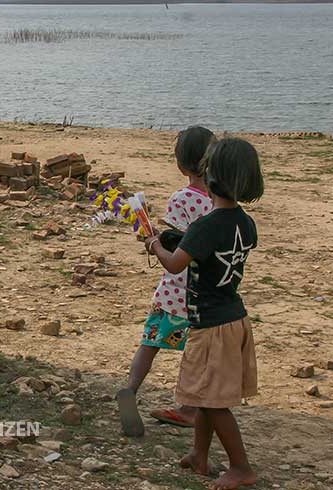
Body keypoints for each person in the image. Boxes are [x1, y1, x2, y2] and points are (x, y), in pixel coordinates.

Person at [144, 138, 263, 490]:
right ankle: (199, 454)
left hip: (211, 326)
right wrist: (179, 239)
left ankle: (240, 467)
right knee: (201, 395)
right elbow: (210, 253)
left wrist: (154, 244)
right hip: (233, 318)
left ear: (209, 176)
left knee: (211, 402)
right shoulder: (245, 223)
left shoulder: (205, 226)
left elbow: (175, 265)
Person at [117, 126, 215, 437]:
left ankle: (130, 390)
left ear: (180, 164)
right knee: (198, 353)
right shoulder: (220, 198)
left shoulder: (181, 198)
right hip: (207, 290)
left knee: (150, 342)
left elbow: (175, 244)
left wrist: (152, 242)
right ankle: (190, 407)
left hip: (176, 288)